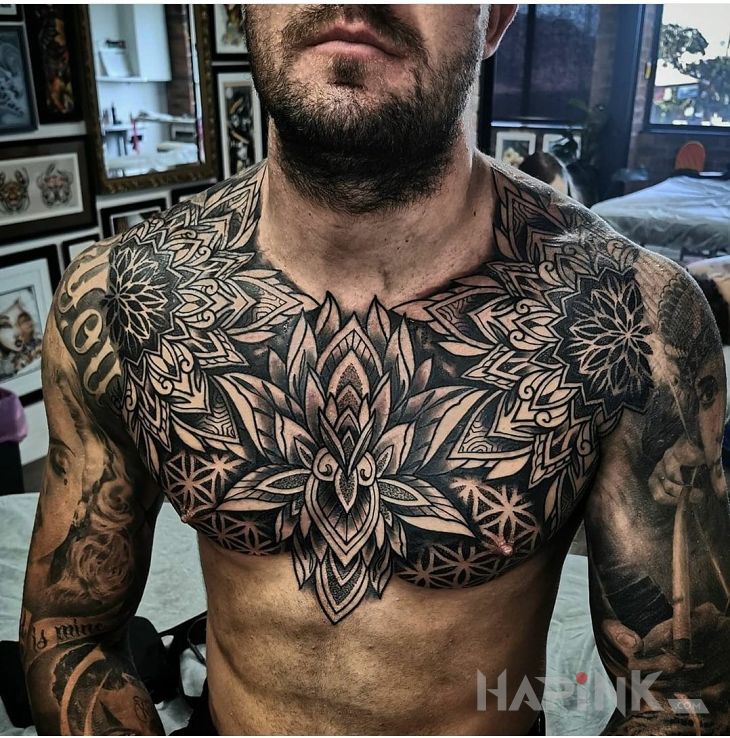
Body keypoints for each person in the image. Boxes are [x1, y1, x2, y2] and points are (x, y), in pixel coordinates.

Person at [20, 4, 730, 735]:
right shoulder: (123, 298)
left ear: (495, 17)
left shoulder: (627, 317)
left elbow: (682, 698)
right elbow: (69, 635)